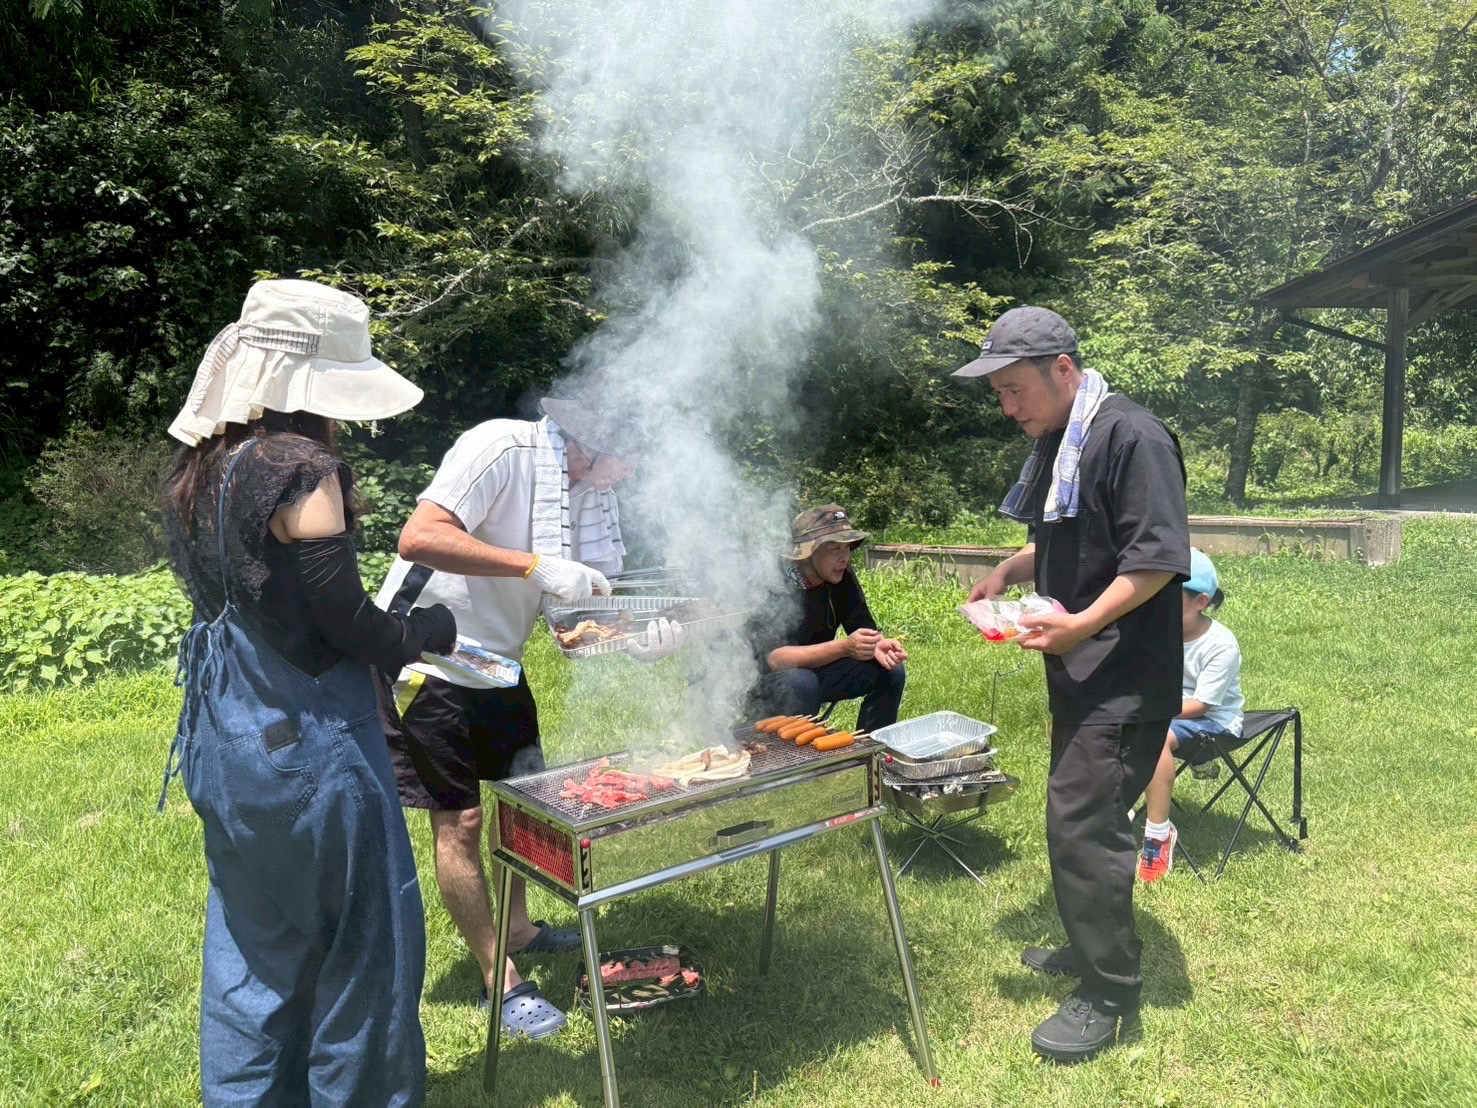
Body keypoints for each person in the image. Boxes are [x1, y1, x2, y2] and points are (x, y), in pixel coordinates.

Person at [161, 279, 457, 1106]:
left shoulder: (204, 465)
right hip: (309, 747)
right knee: (366, 953)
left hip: (227, 738)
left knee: (253, 954)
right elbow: (345, 624)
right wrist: (425, 634)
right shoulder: (302, 470)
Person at [374, 395, 683, 1040]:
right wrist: (536, 565)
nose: (630, 474)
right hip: (427, 657)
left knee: (524, 804)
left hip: (499, 663)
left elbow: (574, 619)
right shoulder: (501, 447)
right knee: (460, 819)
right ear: (587, 442)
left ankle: (517, 927)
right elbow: (420, 536)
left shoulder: (585, 494)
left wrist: (635, 639)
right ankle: (500, 976)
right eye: (628, 460)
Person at [955, 306, 1190, 1063]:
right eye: (998, 395)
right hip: (1081, 670)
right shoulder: (1066, 439)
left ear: (1063, 369)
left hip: (1121, 673)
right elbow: (1067, 532)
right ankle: (1090, 950)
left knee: (1081, 827)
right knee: (1083, 818)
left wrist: (1083, 623)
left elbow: (1155, 557)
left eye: (1016, 389)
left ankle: (1109, 993)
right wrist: (1011, 568)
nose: (1008, 407)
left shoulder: (1132, 436)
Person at [750, 505, 908, 733]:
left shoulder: (841, 576)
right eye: (835, 548)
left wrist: (877, 645)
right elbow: (776, 659)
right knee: (802, 681)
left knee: (891, 669)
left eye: (848, 548)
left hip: (814, 675)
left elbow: (862, 626)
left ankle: (874, 751)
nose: (845, 557)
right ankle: (800, 764)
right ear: (808, 553)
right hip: (764, 683)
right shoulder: (774, 584)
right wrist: (844, 647)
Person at [1138, 549, 1244, 883]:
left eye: (1167, 599)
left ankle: (1157, 834)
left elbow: (1201, 706)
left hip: (1212, 722)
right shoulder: (1158, 632)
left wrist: (1145, 709)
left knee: (1152, 739)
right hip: (1162, 711)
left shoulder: (1220, 644)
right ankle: (1113, 809)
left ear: (1200, 601)